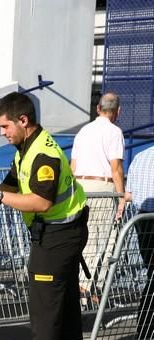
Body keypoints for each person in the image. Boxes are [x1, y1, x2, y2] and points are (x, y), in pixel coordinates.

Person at [0, 92, 89, 340]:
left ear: (23, 120)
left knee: (45, 307)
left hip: (56, 234)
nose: (2, 133)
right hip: (61, 232)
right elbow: (10, 182)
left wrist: (1, 198)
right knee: (65, 302)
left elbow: (41, 202)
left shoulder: (44, 154)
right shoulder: (26, 149)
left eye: (5, 127)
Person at [71, 92, 125, 303]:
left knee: (83, 237)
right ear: (117, 111)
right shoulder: (114, 131)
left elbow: (73, 165)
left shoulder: (83, 131)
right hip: (102, 185)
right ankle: (87, 292)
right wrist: (121, 196)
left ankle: (86, 290)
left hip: (79, 185)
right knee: (100, 238)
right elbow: (116, 168)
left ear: (97, 108)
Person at [125, 148, 154, 340]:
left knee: (151, 276)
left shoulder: (140, 156)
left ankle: (144, 333)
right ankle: (146, 336)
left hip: (142, 220)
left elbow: (129, 194)